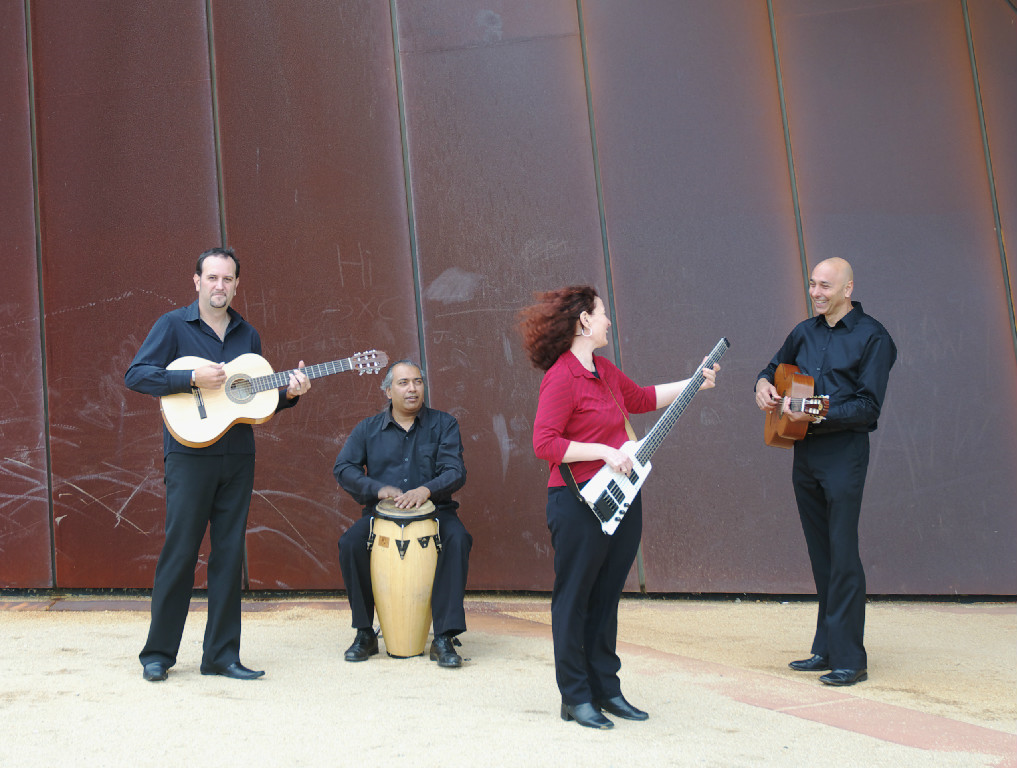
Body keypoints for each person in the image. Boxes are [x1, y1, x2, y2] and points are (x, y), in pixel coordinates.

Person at [519, 286, 718, 730]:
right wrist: (604, 452)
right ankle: (575, 696)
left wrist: (694, 383)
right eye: (603, 313)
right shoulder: (561, 377)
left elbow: (642, 398)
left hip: (620, 498)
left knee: (606, 598)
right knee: (574, 599)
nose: (609, 321)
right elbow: (544, 443)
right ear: (584, 321)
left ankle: (606, 689)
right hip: (576, 502)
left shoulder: (603, 370)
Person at [125, 247, 310, 682]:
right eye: (212, 278)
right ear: (197, 281)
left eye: (227, 279)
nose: (219, 286)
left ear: (237, 285)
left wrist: (290, 394)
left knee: (228, 555)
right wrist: (189, 378)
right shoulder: (173, 325)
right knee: (180, 551)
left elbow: (253, 401)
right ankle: (158, 654)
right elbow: (136, 375)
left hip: (237, 456)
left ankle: (222, 656)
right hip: (189, 455)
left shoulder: (249, 335)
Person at [754, 257, 896, 687]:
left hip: (844, 455)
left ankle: (851, 659)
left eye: (825, 286)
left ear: (848, 288)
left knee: (843, 553)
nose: (816, 292)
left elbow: (868, 407)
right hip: (804, 453)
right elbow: (771, 369)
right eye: (813, 284)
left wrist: (816, 411)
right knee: (821, 555)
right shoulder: (804, 332)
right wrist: (762, 385)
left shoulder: (874, 337)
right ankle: (826, 648)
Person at [334, 360, 470, 668]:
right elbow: (343, 468)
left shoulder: (444, 424)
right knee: (350, 543)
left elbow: (455, 470)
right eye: (403, 383)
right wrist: (378, 489)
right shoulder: (367, 429)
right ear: (387, 391)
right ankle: (364, 633)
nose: (412, 389)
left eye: (417, 382)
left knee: (458, 539)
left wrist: (426, 490)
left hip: (435, 513)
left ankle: (444, 637)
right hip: (382, 518)